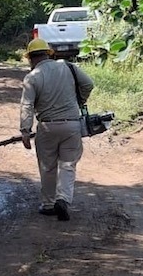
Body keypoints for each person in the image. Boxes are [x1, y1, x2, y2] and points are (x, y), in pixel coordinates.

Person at [19, 38, 94, 221]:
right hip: (71, 125)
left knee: (48, 167)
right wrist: (80, 100)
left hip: (47, 126)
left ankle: (48, 204)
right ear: (48, 53)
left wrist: (25, 130)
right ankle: (64, 198)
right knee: (68, 165)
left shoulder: (32, 77)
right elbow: (88, 84)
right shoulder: (67, 67)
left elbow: (27, 105)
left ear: (30, 58)